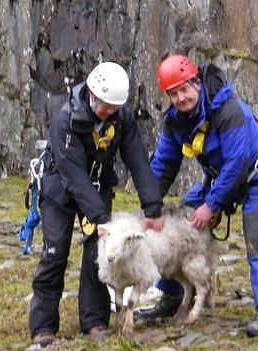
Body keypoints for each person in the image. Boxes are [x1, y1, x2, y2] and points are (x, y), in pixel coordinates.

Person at [138, 54, 258, 337]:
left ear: (197, 83)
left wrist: (211, 205)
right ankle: (172, 295)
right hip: (218, 180)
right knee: (176, 226)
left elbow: (238, 163)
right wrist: (150, 206)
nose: (181, 98)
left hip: (253, 175)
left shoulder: (228, 110)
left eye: (184, 89)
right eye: (173, 93)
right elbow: (164, 165)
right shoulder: (176, 121)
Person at [29, 61, 165, 347]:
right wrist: (101, 216)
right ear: (92, 94)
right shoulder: (65, 120)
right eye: (106, 106)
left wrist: (152, 207)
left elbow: (138, 160)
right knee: (55, 253)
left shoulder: (121, 119)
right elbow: (73, 174)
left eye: (115, 107)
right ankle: (43, 326)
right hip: (60, 191)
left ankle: (94, 321)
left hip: (98, 186)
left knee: (98, 254)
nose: (111, 111)